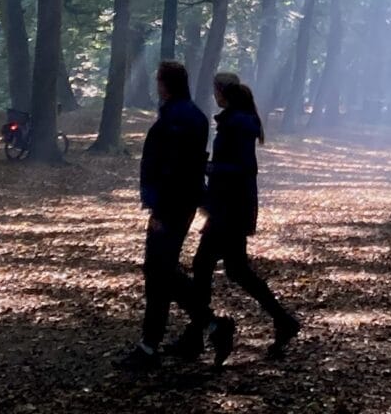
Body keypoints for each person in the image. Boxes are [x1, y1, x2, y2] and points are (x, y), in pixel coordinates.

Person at [169, 72, 301, 362]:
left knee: (203, 265)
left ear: (221, 92)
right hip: (232, 207)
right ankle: (282, 321)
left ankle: (200, 332)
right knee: (236, 270)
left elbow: (242, 168)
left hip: (230, 209)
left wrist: (208, 168)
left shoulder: (236, 124)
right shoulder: (237, 120)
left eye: (215, 90)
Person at [117, 61, 232, 372]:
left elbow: (171, 165)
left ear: (165, 84)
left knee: (159, 270)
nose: (157, 85)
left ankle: (205, 327)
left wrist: (157, 207)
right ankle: (155, 343)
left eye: (158, 80)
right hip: (184, 200)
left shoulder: (176, 118)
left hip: (171, 203)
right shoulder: (192, 115)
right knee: (160, 270)